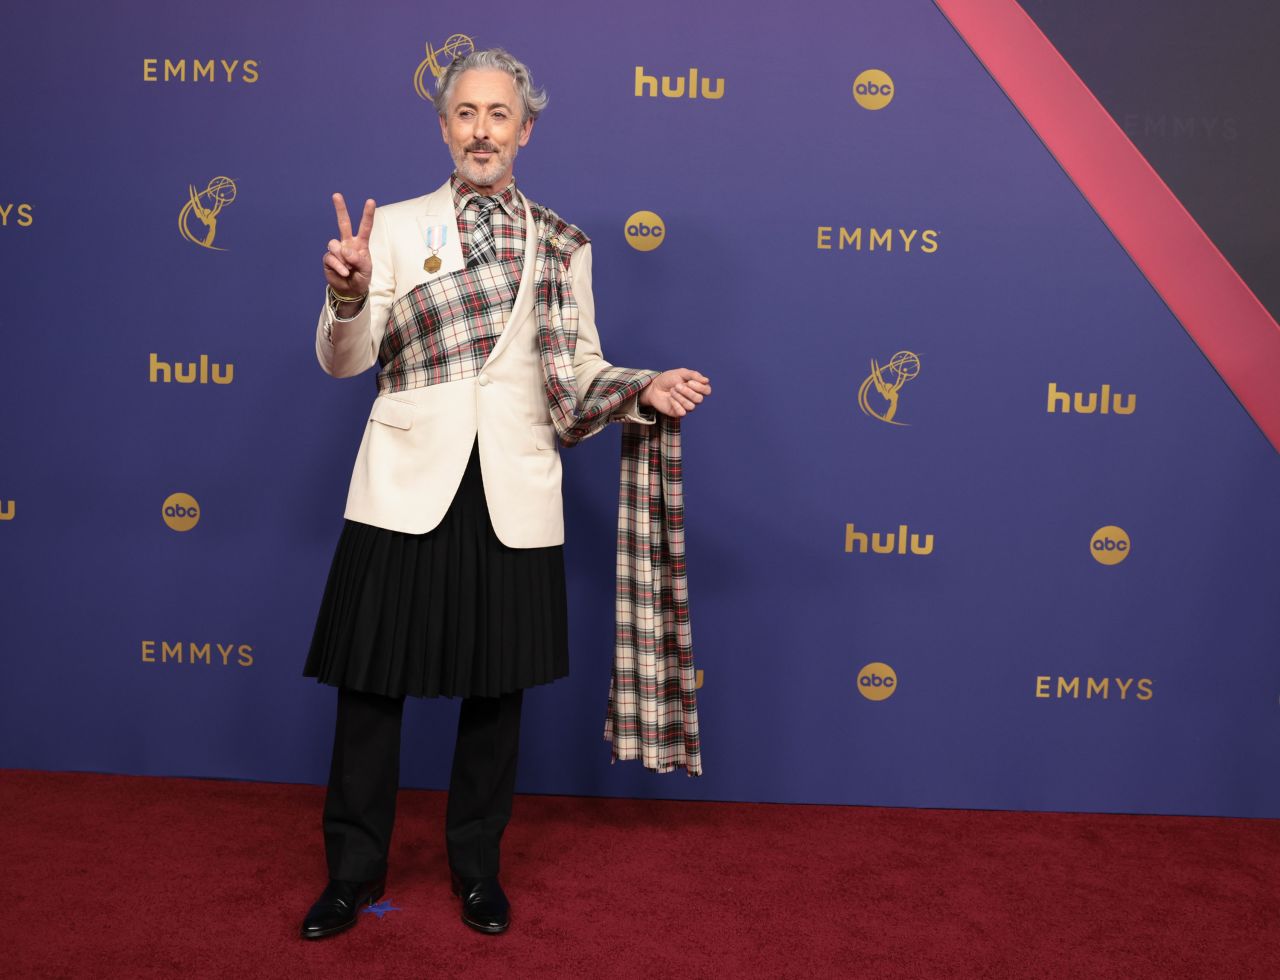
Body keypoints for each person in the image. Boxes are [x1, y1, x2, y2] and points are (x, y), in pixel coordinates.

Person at [299, 48, 711, 940]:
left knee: (498, 694)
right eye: (466, 114)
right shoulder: (394, 229)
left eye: (499, 115)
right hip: (404, 484)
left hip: (514, 487)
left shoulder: (566, 243)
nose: (482, 130)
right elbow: (345, 362)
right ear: (444, 126)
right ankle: (351, 876)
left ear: (525, 129)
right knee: (370, 690)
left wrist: (640, 388)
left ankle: (477, 869)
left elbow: (579, 368)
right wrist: (347, 295)